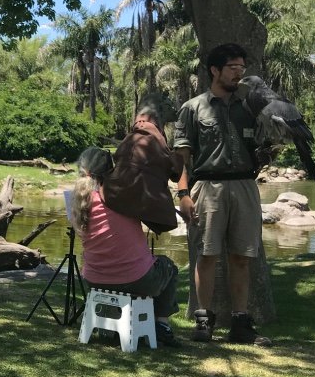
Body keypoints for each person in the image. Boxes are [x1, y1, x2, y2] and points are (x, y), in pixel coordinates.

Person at [173, 43, 271, 346]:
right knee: (206, 255)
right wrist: (183, 194)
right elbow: (181, 159)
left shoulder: (251, 108)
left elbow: (263, 148)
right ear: (215, 70)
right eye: (232, 68)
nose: (239, 73)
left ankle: (241, 324)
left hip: (245, 186)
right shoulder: (193, 108)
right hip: (207, 188)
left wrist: (271, 150)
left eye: (242, 68)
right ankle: (204, 322)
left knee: (242, 256)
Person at [71, 147, 181, 347]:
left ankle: (112, 326)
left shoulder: (79, 203)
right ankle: (162, 325)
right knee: (168, 267)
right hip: (136, 280)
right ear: (110, 172)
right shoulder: (123, 197)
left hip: (94, 279)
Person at [103, 92, 184, 234]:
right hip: (131, 200)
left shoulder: (134, 136)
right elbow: (175, 173)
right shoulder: (153, 136)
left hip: (113, 196)